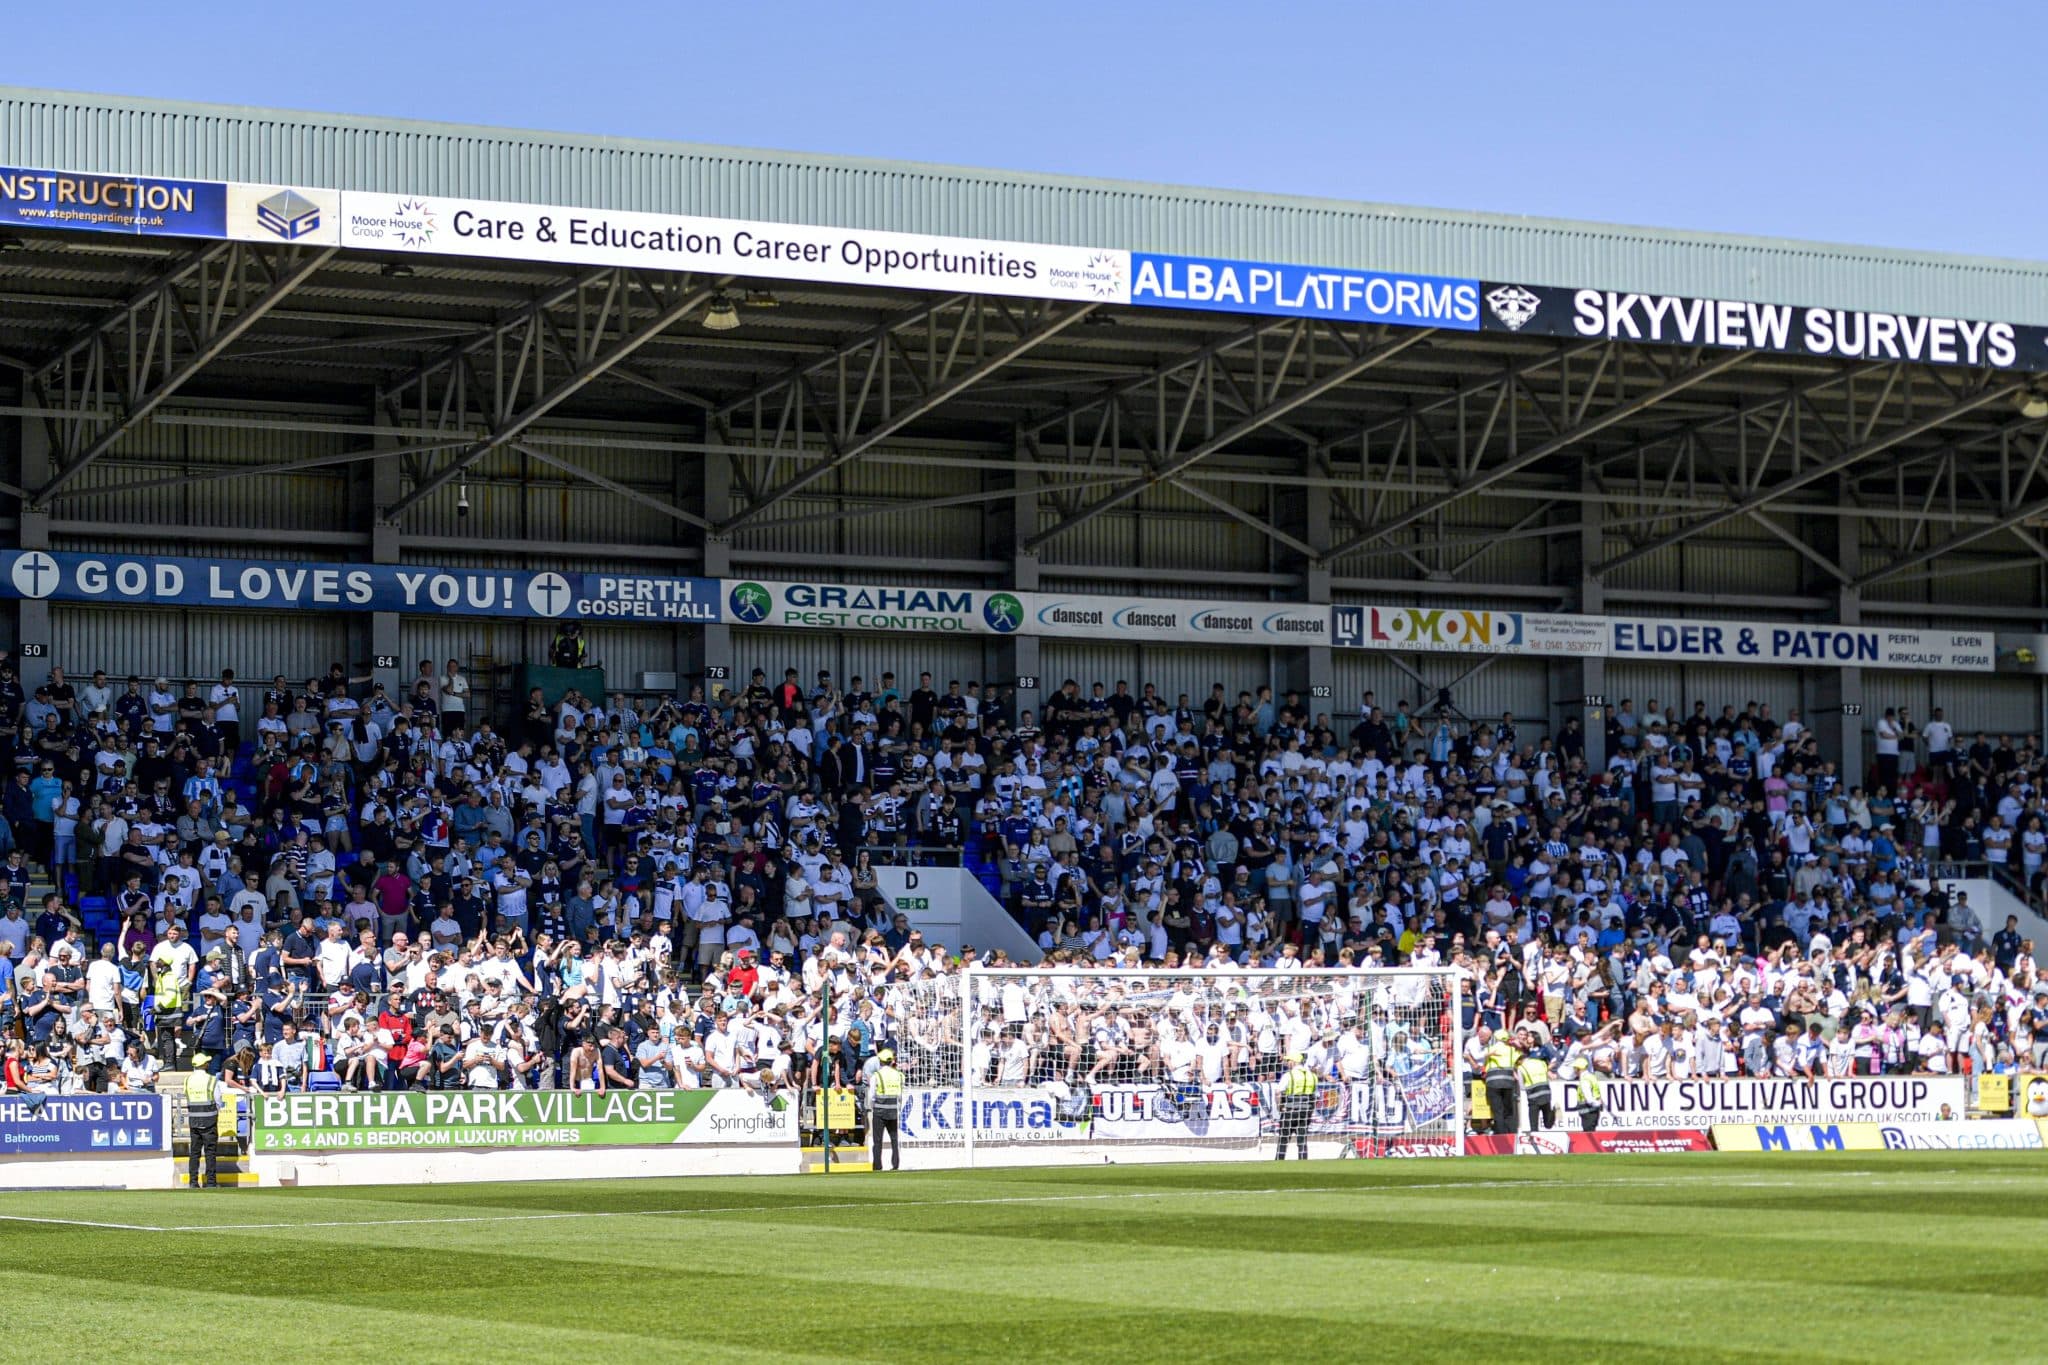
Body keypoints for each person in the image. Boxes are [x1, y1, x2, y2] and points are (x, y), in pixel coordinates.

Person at [184, 1051, 228, 1188]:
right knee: (210, 1152)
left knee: (194, 1153)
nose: (208, 1064)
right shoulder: (211, 1079)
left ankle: (193, 1182)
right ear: (203, 1065)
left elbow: (187, 1097)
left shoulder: (188, 1080)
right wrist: (216, 1109)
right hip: (209, 1120)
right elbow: (218, 1099)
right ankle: (211, 1182)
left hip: (194, 1120)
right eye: (207, 1062)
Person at [868, 1044, 905, 1171]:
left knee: (877, 1140)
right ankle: (895, 1164)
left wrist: (872, 1107)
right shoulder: (899, 1075)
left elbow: (871, 1095)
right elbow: (900, 1095)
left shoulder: (876, 1076)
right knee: (894, 1139)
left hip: (879, 1110)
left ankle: (877, 1166)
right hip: (893, 1110)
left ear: (880, 1061)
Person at [1275, 1051, 1317, 1159]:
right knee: (1302, 1139)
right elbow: (1315, 1096)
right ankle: (1303, 1161)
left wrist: (1280, 1107)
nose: (1287, 1063)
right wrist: (1310, 1110)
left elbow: (1278, 1092)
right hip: (1306, 1110)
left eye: (1288, 1060)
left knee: (1284, 1138)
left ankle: (1279, 1161)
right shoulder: (1312, 1076)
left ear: (1293, 1062)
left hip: (1290, 1109)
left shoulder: (1289, 1075)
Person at [1482, 1027, 1524, 1135]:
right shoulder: (1511, 1050)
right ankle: (1510, 1133)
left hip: (1492, 1083)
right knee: (1508, 1111)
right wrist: (1517, 1044)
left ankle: (1501, 1135)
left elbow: (1481, 1060)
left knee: (1498, 1111)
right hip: (1507, 1083)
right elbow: (1521, 1057)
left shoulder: (1490, 1049)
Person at [1517, 1033, 1554, 1131]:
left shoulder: (1521, 1068)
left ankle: (1534, 1135)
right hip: (1545, 1094)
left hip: (1533, 1097)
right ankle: (1553, 1112)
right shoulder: (1541, 1063)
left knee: (1534, 1126)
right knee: (1548, 1124)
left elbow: (1522, 1087)